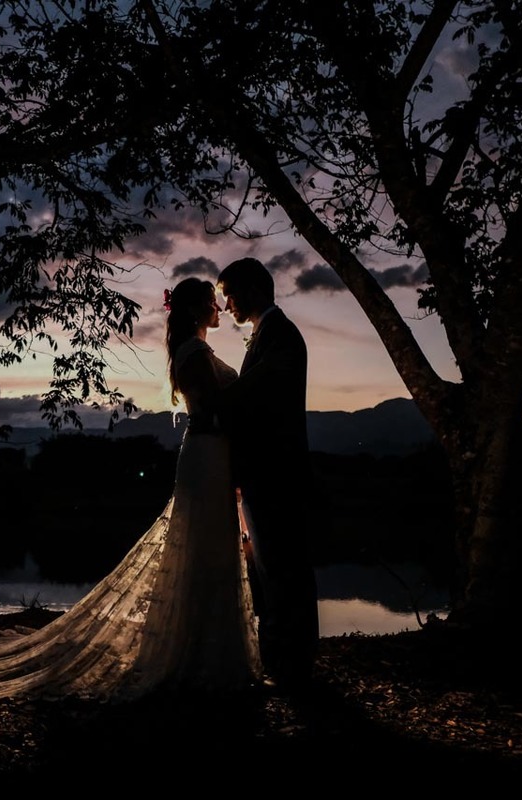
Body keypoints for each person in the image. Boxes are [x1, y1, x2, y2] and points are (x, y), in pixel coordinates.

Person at [0, 277, 261, 702]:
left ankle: (205, 651)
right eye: (213, 303)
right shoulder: (194, 352)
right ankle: (195, 658)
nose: (220, 309)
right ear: (199, 310)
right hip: (207, 455)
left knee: (210, 549)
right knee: (203, 547)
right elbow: (220, 409)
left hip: (211, 455)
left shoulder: (196, 350)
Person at [216, 257, 320, 691]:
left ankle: (292, 663)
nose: (227, 307)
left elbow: (256, 394)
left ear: (254, 290)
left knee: (283, 566)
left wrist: (211, 390)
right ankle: (283, 659)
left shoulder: (281, 335)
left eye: (231, 296)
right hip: (264, 471)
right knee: (271, 567)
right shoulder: (267, 334)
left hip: (277, 471)